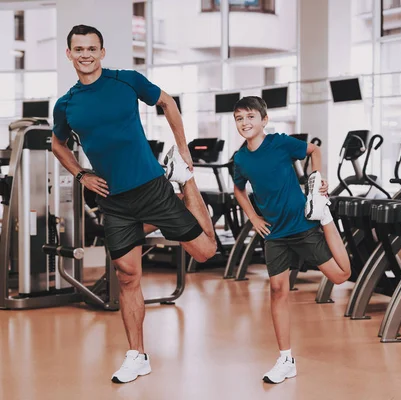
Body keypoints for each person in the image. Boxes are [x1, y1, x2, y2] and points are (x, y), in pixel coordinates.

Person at [51, 25, 217, 384]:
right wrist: (81, 174)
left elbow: (167, 102)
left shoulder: (125, 80)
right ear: (69, 54)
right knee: (127, 276)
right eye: (78, 49)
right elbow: (57, 144)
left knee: (204, 251)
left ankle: (184, 182)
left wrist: (184, 150)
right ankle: (137, 355)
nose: (85, 54)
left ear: (102, 51)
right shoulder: (66, 105)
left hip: (151, 188)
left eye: (92, 48)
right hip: (114, 200)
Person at [232, 96, 351, 384]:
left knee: (340, 276)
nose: (245, 123)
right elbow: (238, 190)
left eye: (250, 117)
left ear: (264, 120)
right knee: (277, 289)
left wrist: (316, 179)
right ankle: (285, 359)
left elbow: (315, 150)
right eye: (239, 119)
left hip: (302, 223)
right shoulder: (240, 158)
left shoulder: (280, 143)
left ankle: (326, 219)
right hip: (275, 232)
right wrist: (254, 218)